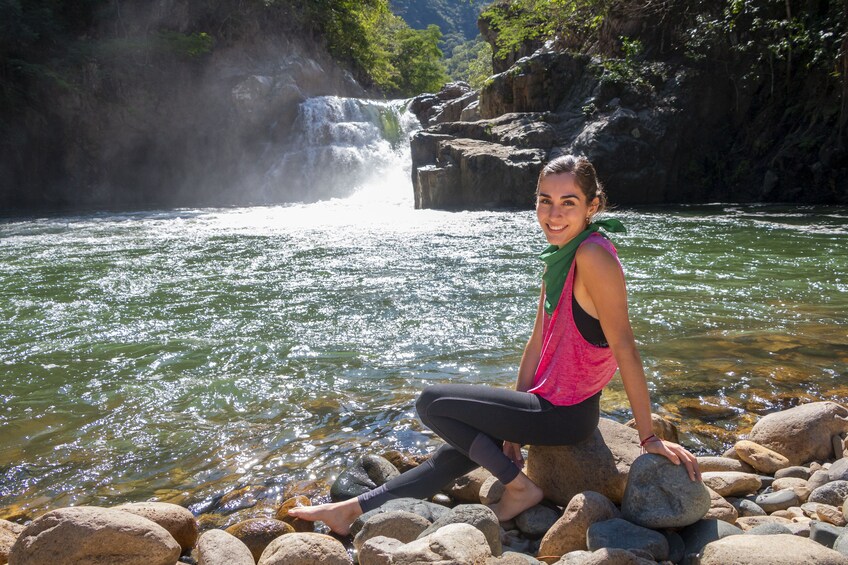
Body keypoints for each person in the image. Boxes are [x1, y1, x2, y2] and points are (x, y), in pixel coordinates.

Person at [289, 155, 701, 535]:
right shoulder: (561, 255)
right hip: (548, 405)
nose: (553, 214)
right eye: (545, 201)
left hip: (565, 414)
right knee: (459, 452)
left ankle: (520, 488)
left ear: (592, 206)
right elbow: (537, 343)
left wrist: (648, 438)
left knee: (432, 402)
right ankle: (354, 509)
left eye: (568, 202)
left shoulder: (594, 257)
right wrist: (512, 430)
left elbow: (625, 347)